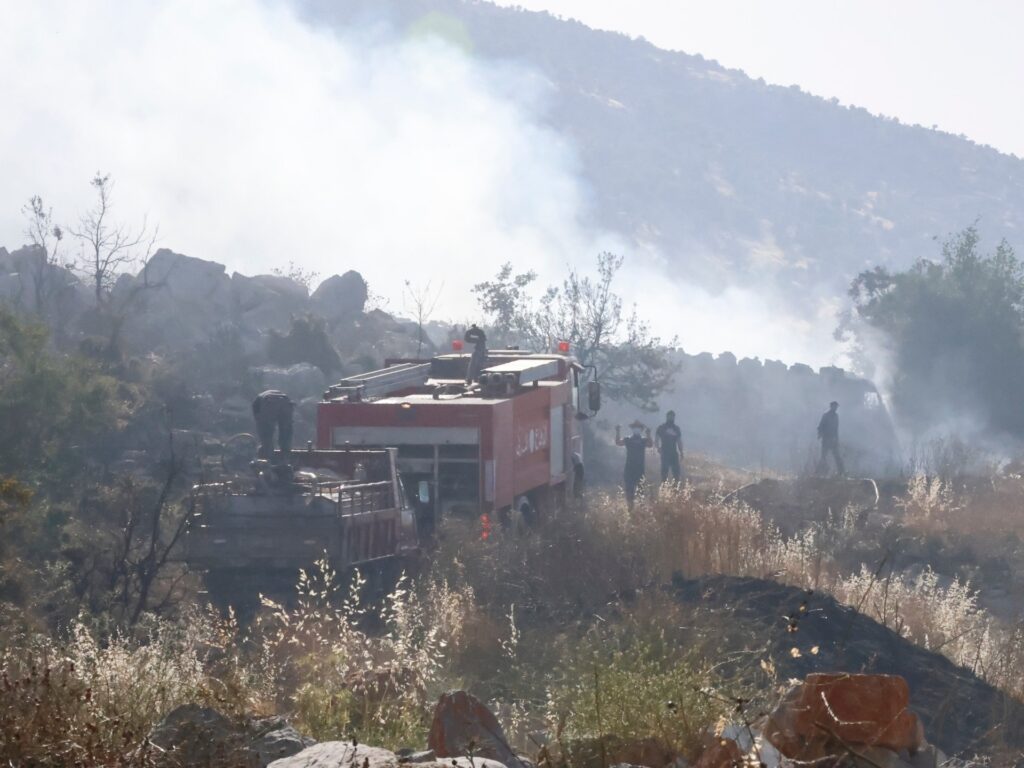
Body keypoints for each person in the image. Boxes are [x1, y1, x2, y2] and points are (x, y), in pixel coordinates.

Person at [616, 421, 652, 508]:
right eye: (635, 427)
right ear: (632, 429)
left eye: (638, 427)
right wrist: (617, 431)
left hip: (640, 469)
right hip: (629, 469)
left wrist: (648, 434)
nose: (636, 429)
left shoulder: (643, 440)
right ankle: (630, 510)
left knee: (640, 492)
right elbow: (618, 443)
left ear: (641, 429)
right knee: (629, 491)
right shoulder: (628, 439)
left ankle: (640, 510)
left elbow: (650, 444)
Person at [252, 390, 294, 463]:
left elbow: (263, 427)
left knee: (266, 433)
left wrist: (265, 445)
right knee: (286, 431)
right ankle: (286, 458)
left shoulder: (257, 403)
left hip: (269, 401)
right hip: (285, 400)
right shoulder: (260, 398)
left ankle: (269, 460)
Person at [816, 400, 845, 476]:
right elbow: (820, 426)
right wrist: (820, 434)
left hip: (833, 440)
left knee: (837, 456)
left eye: (836, 407)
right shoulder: (825, 415)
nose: (836, 408)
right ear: (831, 407)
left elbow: (836, 429)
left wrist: (836, 439)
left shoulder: (836, 416)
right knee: (823, 456)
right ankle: (819, 472)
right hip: (826, 439)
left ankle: (841, 472)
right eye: (834, 406)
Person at [655, 410, 684, 484]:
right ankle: (664, 487)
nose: (671, 418)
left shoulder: (676, 428)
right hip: (665, 452)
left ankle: (675, 489)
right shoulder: (662, 427)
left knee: (676, 472)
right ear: (667, 417)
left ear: (674, 417)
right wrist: (658, 448)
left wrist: (681, 452)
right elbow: (656, 439)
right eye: (669, 416)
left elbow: (679, 441)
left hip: (674, 452)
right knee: (664, 471)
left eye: (672, 416)